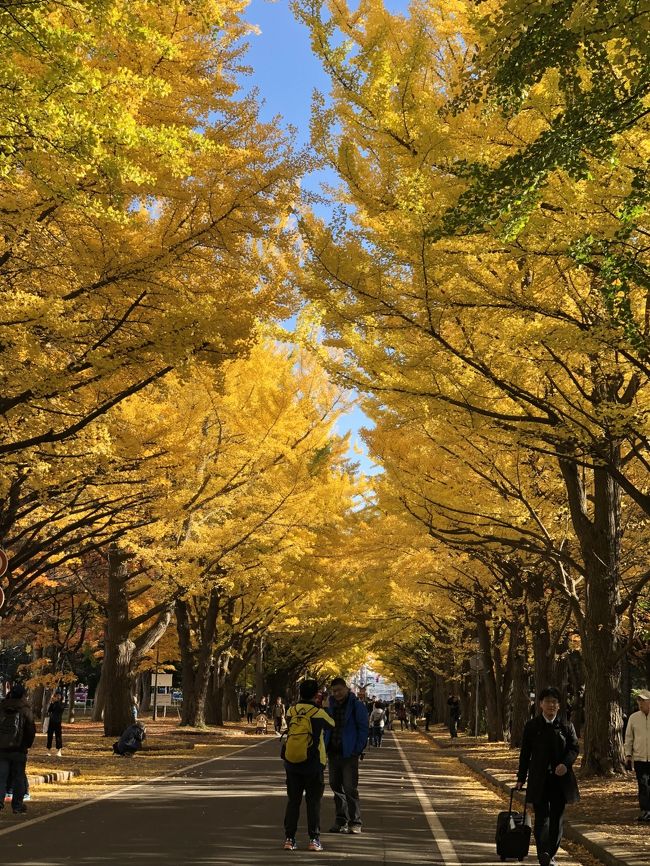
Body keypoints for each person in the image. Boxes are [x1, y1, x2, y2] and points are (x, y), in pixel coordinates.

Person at [516, 686, 579, 866]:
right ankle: (543, 852)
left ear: (559, 706)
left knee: (557, 818)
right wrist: (521, 777)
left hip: (560, 780)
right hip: (539, 779)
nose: (551, 705)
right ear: (540, 704)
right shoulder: (532, 726)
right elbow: (525, 754)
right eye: (548, 701)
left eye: (554, 702)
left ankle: (551, 853)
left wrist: (565, 764)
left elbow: (574, 748)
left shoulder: (566, 726)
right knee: (542, 817)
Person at [282, 679, 334, 852]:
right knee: (313, 803)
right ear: (315, 694)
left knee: (293, 801)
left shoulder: (291, 710)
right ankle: (314, 839)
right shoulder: (318, 713)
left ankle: (289, 839)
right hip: (313, 763)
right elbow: (332, 724)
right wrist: (325, 705)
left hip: (292, 762)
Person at [326, 677, 369, 834]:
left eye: (339, 690)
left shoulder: (357, 706)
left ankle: (355, 821)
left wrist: (357, 749)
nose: (336, 693)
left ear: (346, 689)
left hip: (349, 753)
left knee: (350, 788)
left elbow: (363, 728)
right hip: (333, 751)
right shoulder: (330, 706)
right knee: (335, 786)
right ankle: (340, 820)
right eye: (334, 691)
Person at [0, 683, 36, 814]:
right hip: (19, 749)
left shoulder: (2, 707)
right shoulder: (25, 709)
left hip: (2, 748)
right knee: (18, 777)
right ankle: (17, 806)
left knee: (1, 776)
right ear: (23, 695)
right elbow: (31, 730)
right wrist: (26, 745)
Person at [624, 689, 650, 822]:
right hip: (639, 758)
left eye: (643, 701)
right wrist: (628, 755)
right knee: (643, 784)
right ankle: (646, 810)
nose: (640, 703)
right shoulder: (633, 718)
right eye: (639, 700)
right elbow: (629, 738)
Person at [46, 692, 65, 757]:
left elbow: (60, 709)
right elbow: (49, 710)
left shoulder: (62, 704)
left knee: (58, 736)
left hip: (58, 722)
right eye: (56, 696)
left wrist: (56, 702)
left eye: (59, 696)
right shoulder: (53, 703)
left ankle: (59, 751)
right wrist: (52, 702)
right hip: (51, 721)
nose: (57, 697)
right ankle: (48, 750)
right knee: (49, 736)